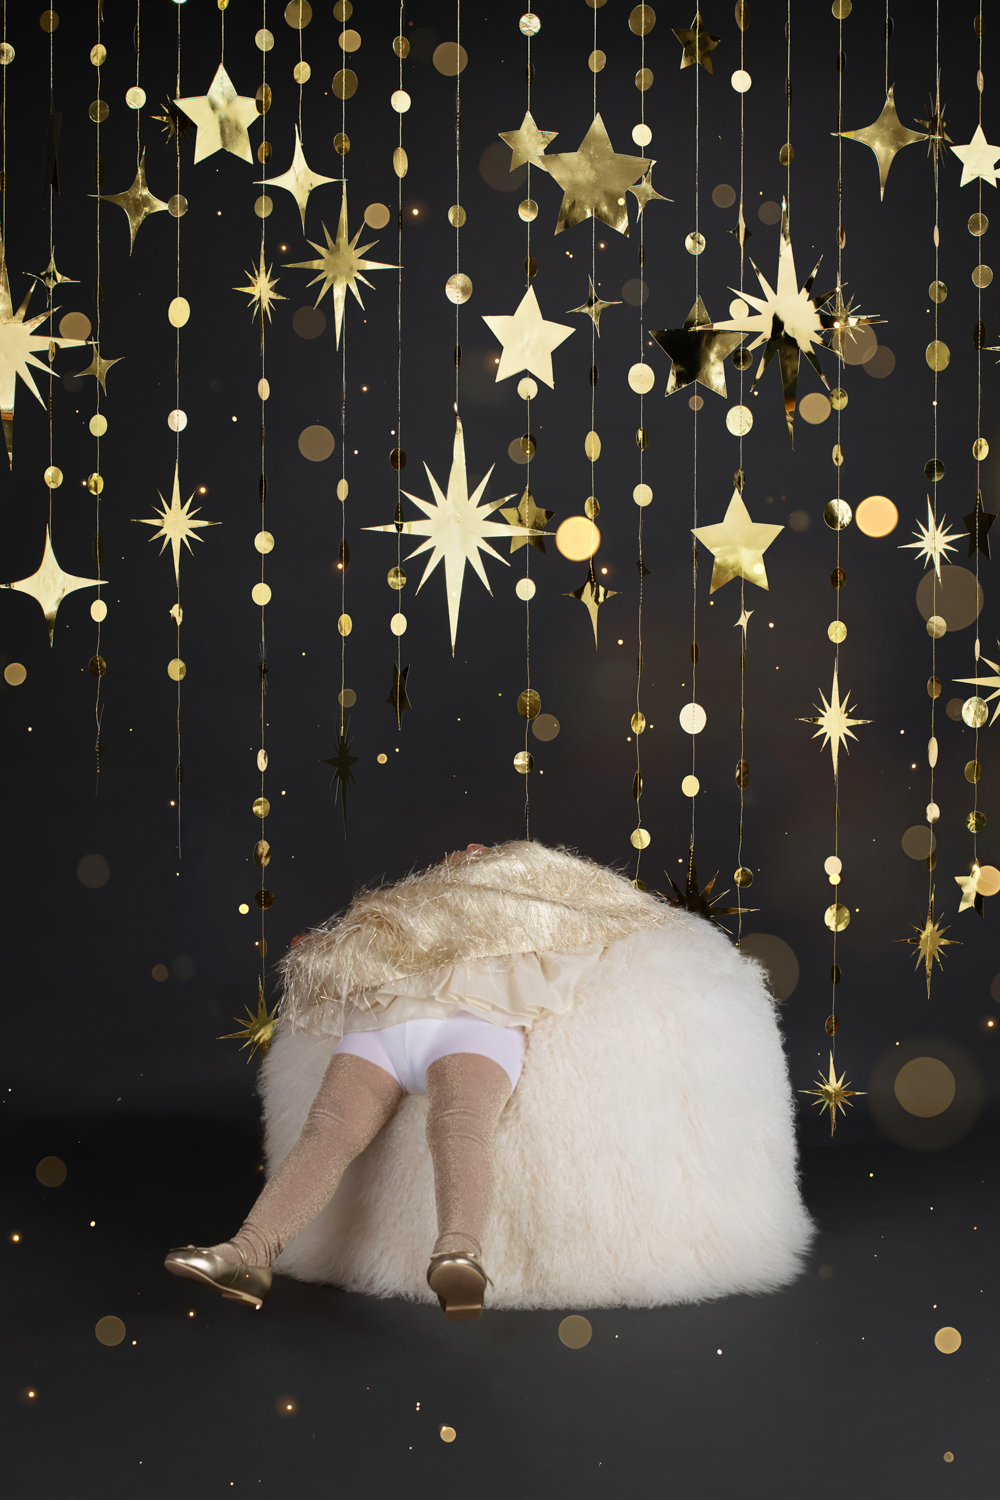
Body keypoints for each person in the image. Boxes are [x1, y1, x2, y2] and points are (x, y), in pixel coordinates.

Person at [166, 839, 813, 1317]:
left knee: (460, 1128)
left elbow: (601, 907)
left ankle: (458, 1253)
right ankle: (249, 1254)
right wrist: (330, 952)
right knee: (327, 1132)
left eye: (483, 852)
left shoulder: (528, 906)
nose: (466, 855)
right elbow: (353, 939)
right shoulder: (408, 910)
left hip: (474, 1027)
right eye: (459, 855)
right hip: (385, 1027)